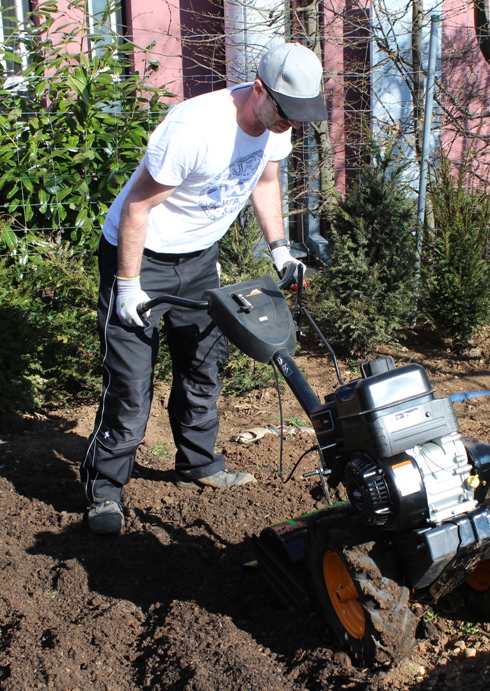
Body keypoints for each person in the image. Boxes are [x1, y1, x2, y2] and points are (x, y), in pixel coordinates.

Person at [81, 42, 328, 535]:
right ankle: (105, 489)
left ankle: (196, 463)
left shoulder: (277, 126)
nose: (291, 126)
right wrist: (128, 285)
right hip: (140, 256)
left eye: (301, 116)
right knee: (131, 387)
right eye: (286, 113)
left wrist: (280, 247)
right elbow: (136, 209)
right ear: (259, 89)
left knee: (203, 364)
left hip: (199, 258)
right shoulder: (195, 129)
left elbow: (265, 182)